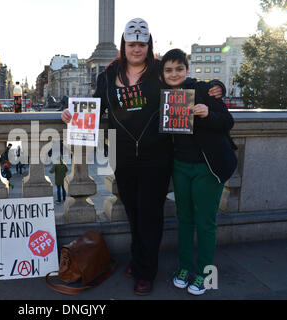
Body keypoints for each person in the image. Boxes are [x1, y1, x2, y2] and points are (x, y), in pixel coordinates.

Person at [61, 18, 224, 295]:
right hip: (121, 153)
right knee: (134, 213)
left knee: (150, 215)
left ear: (149, 45)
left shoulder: (160, 71)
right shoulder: (108, 74)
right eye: (131, 44)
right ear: (124, 45)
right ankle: (139, 260)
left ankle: (146, 271)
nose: (136, 49)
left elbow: (187, 81)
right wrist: (70, 114)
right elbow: (96, 105)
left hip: (156, 154)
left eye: (142, 44)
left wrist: (216, 85)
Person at [160, 49, 237, 295]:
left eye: (179, 69)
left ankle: (204, 273)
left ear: (187, 69)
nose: (174, 74)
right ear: (163, 73)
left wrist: (207, 113)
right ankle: (184, 268)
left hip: (207, 167)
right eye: (169, 70)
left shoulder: (203, 90)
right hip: (180, 167)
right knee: (184, 219)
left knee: (205, 222)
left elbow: (227, 121)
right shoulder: (161, 96)